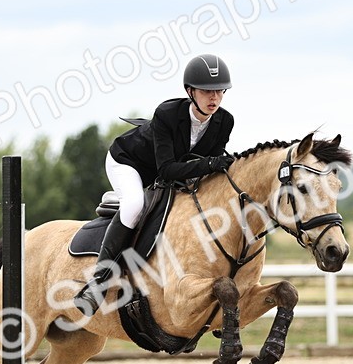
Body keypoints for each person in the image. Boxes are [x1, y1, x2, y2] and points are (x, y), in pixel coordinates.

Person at [73, 53, 236, 316]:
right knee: (135, 204)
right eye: (206, 91)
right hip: (128, 162)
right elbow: (168, 169)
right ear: (190, 91)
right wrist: (210, 165)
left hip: (168, 173)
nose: (214, 98)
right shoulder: (168, 114)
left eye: (219, 91)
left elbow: (210, 165)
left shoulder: (224, 121)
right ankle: (98, 282)